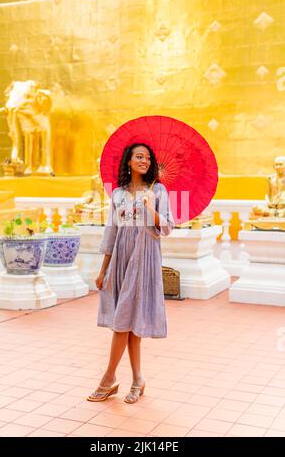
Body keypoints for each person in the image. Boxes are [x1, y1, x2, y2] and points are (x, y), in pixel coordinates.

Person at [86, 143, 175, 404]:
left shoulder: (158, 190)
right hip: (121, 261)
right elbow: (111, 233)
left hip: (144, 259)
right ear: (129, 161)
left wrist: (150, 208)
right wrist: (103, 270)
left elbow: (168, 226)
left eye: (148, 157)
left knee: (123, 321)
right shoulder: (118, 194)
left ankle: (108, 378)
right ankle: (137, 380)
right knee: (129, 323)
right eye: (139, 156)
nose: (144, 161)